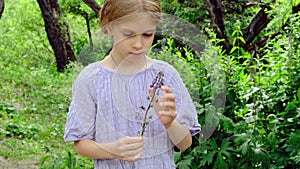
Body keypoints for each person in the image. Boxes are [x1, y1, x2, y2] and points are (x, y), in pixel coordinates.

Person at [64, 0, 201, 168]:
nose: (138, 44)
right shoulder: (91, 79)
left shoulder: (166, 75)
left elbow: (185, 143)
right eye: (128, 34)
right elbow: (80, 143)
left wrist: (170, 123)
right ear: (108, 27)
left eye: (147, 34)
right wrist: (112, 150)